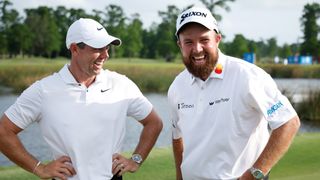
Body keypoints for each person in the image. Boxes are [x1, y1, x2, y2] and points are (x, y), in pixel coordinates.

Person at [0, 18, 163, 180]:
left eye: (107, 48)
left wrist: (136, 160)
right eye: (98, 48)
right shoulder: (43, 90)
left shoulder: (121, 84)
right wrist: (39, 168)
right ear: (74, 49)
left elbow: (154, 122)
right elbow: (3, 131)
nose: (105, 55)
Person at [168, 7, 300, 180]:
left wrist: (255, 174)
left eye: (204, 40)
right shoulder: (177, 86)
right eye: (189, 42)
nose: (197, 49)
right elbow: (177, 137)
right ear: (180, 45)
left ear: (217, 39)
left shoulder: (247, 76)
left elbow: (288, 122)